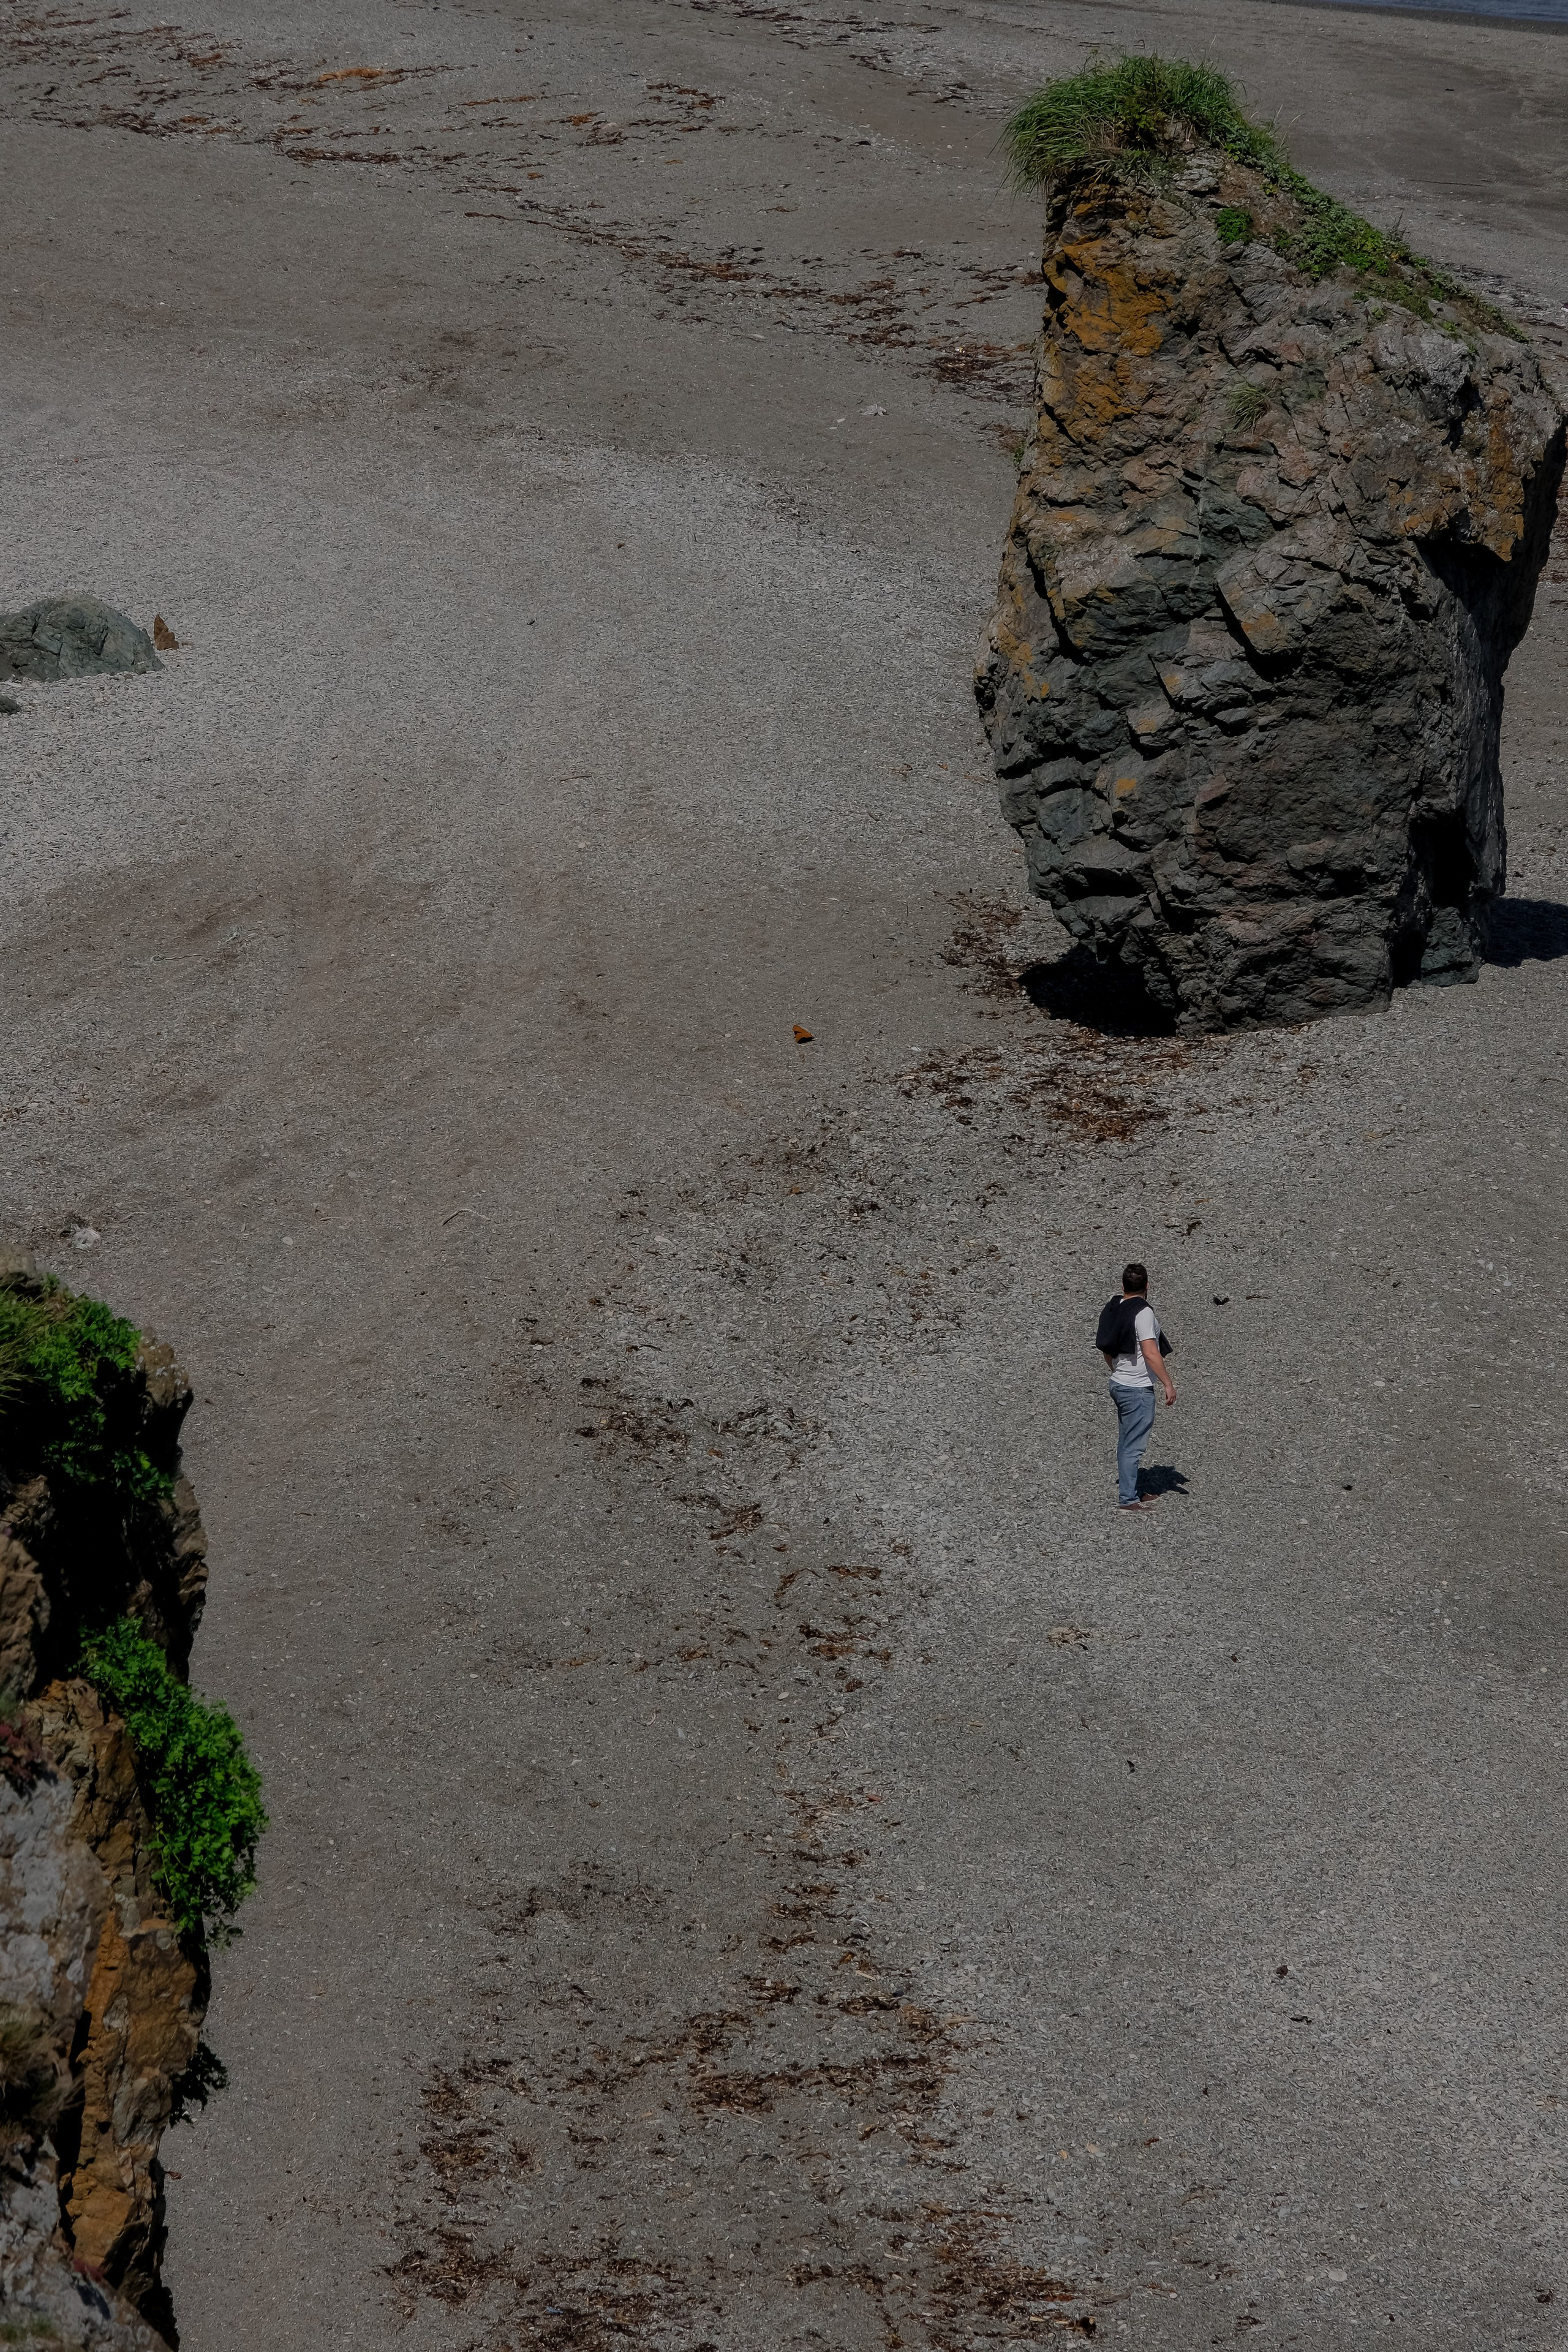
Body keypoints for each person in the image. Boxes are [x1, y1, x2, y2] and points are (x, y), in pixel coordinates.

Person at [1101, 1262, 1175, 1513]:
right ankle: (1128, 1499)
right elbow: (1151, 1353)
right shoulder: (1143, 1313)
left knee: (1126, 1441)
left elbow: (1106, 1346)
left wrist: (1116, 1371)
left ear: (1123, 1286)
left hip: (1119, 1383)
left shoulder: (1114, 1307)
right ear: (1147, 1285)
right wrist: (1168, 1384)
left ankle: (1131, 1489)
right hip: (1137, 1389)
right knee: (1133, 1446)